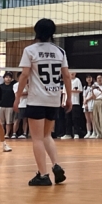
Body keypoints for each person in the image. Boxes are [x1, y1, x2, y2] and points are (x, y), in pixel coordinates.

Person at [13, 18, 72, 186]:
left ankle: (43, 175)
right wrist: (68, 98)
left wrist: (17, 97)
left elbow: (24, 75)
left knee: (37, 139)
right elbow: (67, 76)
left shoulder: (30, 50)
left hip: (37, 100)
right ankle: (56, 165)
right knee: (47, 135)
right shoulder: (60, 51)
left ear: (36, 31)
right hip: (53, 99)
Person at [62, 72, 83, 139]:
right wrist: (63, 101)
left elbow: (80, 90)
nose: (72, 73)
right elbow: (64, 92)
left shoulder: (77, 80)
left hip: (75, 102)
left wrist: (70, 91)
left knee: (75, 118)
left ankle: (76, 133)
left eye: (74, 72)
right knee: (67, 119)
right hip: (67, 103)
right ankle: (68, 133)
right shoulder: (66, 81)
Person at [0, 72, 17, 139]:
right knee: (0, 121)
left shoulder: (13, 86)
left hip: (10, 106)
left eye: (9, 77)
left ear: (11, 79)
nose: (8, 79)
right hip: (1, 105)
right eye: (6, 77)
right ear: (4, 78)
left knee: (8, 121)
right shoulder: (1, 86)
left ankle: (7, 134)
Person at [14, 72, 29, 139]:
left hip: (27, 104)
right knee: (17, 119)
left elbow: (30, 93)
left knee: (25, 120)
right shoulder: (16, 85)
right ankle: (14, 133)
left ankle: (24, 133)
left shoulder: (28, 84)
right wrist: (25, 93)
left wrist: (26, 88)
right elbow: (17, 94)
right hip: (20, 105)